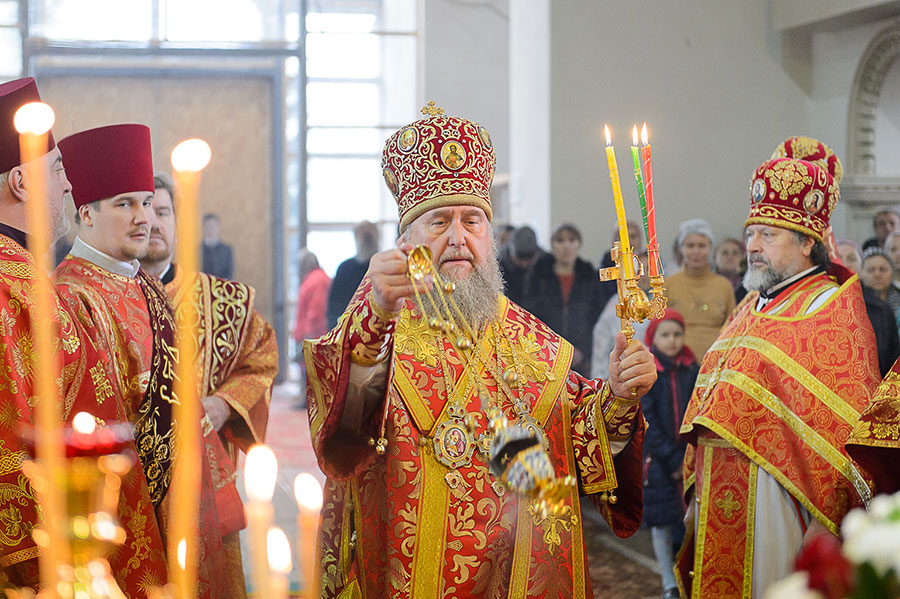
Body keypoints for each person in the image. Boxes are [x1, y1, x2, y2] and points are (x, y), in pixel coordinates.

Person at [303, 105, 657, 598]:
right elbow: (344, 433)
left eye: (473, 221)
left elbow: (576, 447)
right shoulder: (375, 327)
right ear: (406, 241)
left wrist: (618, 398)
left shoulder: (532, 342)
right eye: (438, 222)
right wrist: (376, 314)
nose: (458, 238)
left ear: (490, 236)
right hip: (404, 568)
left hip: (516, 572)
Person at [676, 136, 880, 598]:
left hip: (780, 501)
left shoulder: (829, 307)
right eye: (751, 233)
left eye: (768, 235)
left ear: (807, 243)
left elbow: (845, 427)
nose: (752, 245)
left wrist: (828, 523)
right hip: (720, 492)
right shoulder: (752, 302)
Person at [53, 125, 242, 599]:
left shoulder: (144, 285)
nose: (146, 219)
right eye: (125, 204)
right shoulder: (70, 298)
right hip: (130, 524)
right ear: (85, 212)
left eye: (147, 202)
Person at [0, 78, 169, 596]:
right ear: (21, 185)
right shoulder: (19, 294)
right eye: (57, 172)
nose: (71, 187)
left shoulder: (28, 282)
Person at [140, 170, 277, 584]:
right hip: (134, 485)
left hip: (205, 484)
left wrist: (223, 404)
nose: (153, 222)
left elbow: (262, 358)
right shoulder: (102, 298)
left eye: (163, 211)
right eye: (145, 210)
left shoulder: (226, 301)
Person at [641, 309, 698, 599]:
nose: (672, 341)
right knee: (662, 523)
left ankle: (692, 579)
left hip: (689, 458)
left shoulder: (692, 368)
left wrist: (686, 455)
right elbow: (647, 421)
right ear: (653, 338)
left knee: (690, 519)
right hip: (659, 463)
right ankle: (669, 584)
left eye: (677, 334)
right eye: (665, 335)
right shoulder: (647, 371)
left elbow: (698, 410)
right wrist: (671, 459)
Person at [522, 223, 604, 375]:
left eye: (572, 240)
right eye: (560, 240)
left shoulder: (588, 276)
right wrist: (549, 347)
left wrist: (582, 350)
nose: (566, 246)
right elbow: (531, 315)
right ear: (552, 244)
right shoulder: (539, 275)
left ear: (579, 243)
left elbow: (596, 318)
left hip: (582, 357)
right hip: (546, 354)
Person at [666, 218, 735, 359]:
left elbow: (733, 329)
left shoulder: (724, 286)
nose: (696, 251)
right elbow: (658, 329)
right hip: (677, 365)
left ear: (710, 248)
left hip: (716, 361)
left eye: (701, 246)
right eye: (690, 246)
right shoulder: (668, 284)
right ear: (681, 249)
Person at [838, 241, 900, 377]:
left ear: (861, 267)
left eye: (852, 259)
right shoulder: (815, 304)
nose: (845, 264)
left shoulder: (879, 308)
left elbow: (891, 360)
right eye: (838, 257)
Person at [591, 250, 652, 380]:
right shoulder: (617, 302)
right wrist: (599, 380)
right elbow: (601, 341)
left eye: (649, 269)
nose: (645, 274)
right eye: (640, 269)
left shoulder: (660, 302)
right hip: (620, 374)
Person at [326, 220, 379, 328]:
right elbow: (334, 308)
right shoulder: (345, 268)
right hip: (350, 330)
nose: (365, 235)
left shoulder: (385, 266)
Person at [292, 249, 331, 345]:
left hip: (313, 340)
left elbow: (315, 314)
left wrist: (307, 339)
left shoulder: (315, 281)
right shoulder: (319, 278)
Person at [498, 225, 541, 305]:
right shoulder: (498, 268)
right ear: (511, 251)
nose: (524, 264)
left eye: (529, 257)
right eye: (520, 257)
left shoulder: (545, 264)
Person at [859, 247, 900, 317]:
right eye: (871, 270)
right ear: (861, 273)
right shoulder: (855, 302)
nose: (877, 275)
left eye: (883, 269)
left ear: (892, 272)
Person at [201, 212, 234, 279]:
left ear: (218, 227)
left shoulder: (227, 249)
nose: (211, 229)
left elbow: (229, 272)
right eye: (208, 226)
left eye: (213, 226)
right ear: (203, 228)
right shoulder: (196, 250)